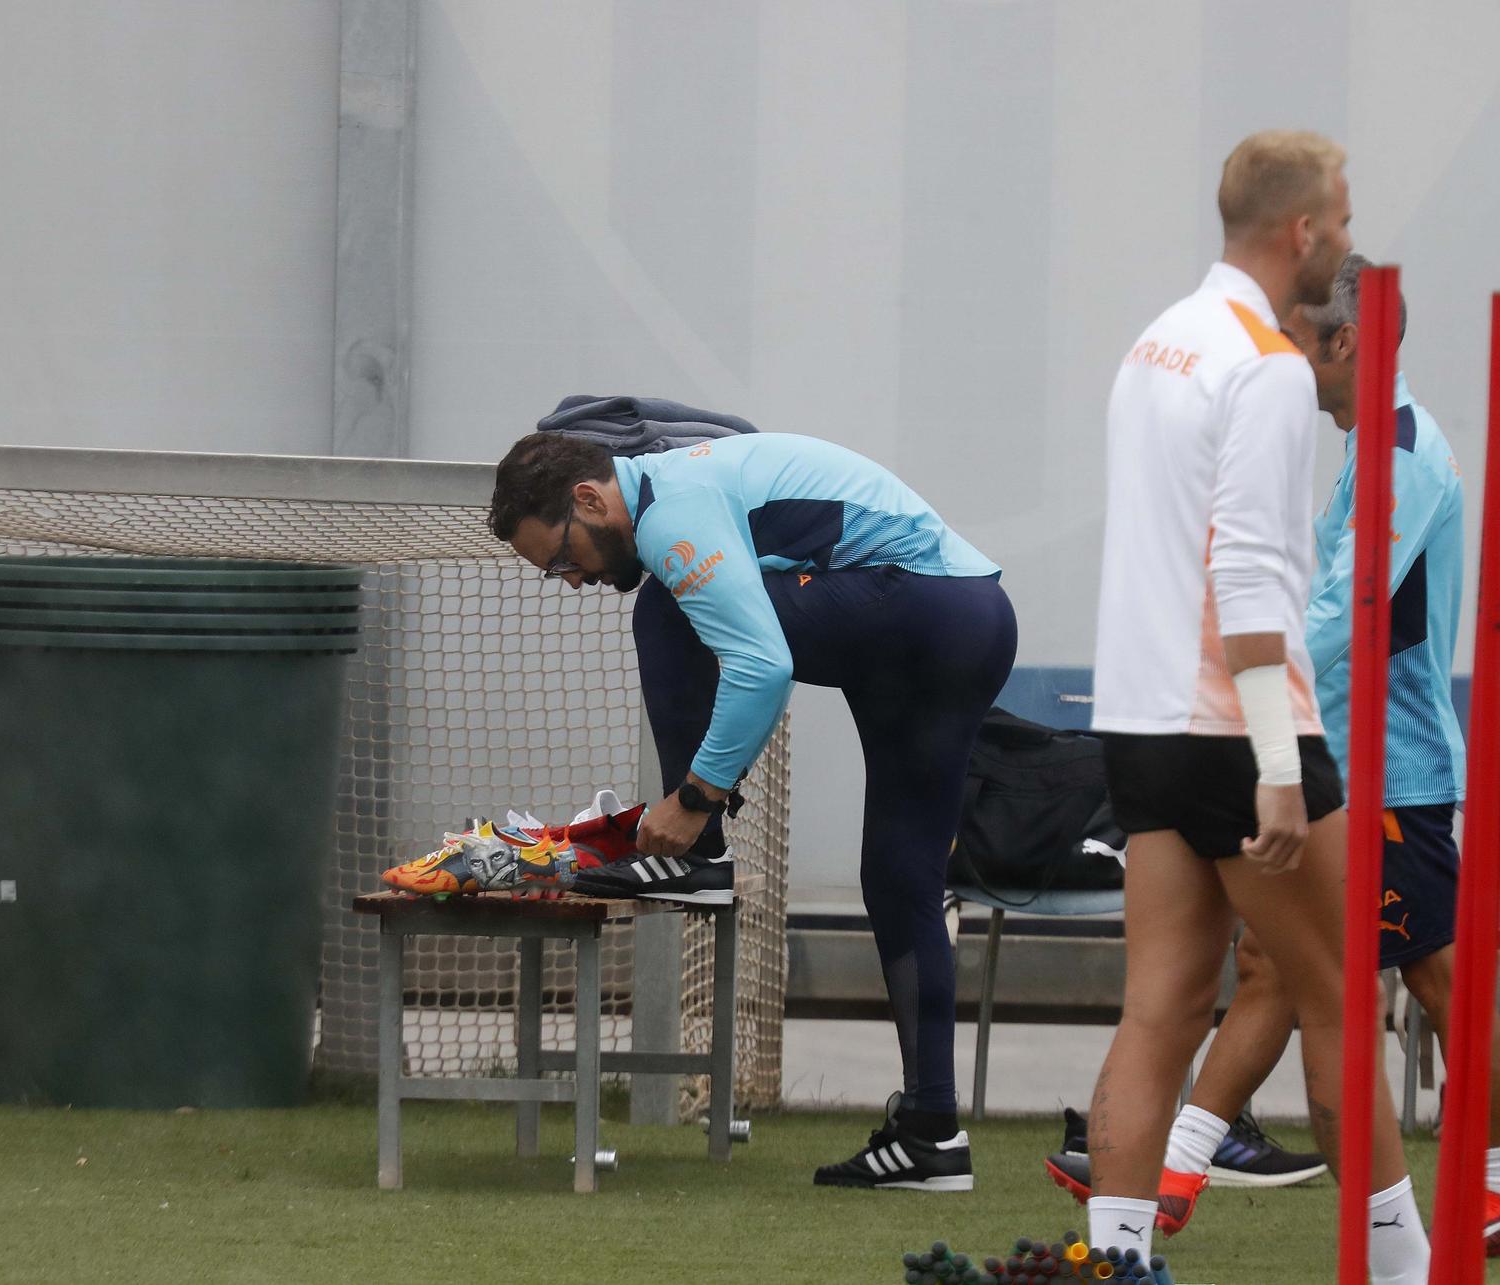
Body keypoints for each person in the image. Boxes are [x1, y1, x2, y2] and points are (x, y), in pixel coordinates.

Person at [1052, 251, 1500, 1252]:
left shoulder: (1403, 450)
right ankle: (1172, 1173)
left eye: (1298, 341)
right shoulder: (1358, 444)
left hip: (1392, 771)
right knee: (1273, 970)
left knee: (1425, 979)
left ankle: (1476, 1186)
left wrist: (1241, 657)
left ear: (1344, 343)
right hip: (1302, 750)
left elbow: (1339, 613)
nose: (1284, 359)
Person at [488, 421, 1016, 1190]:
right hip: (965, 619)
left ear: (590, 497)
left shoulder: (671, 510)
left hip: (926, 610)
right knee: (900, 881)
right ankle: (933, 1133)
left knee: (668, 606)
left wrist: (694, 801)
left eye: (564, 557)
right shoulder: (666, 485)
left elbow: (762, 665)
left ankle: (693, 854)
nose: (571, 579)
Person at [1082, 131, 1426, 1280]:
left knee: (1158, 1012)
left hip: (1135, 727)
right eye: (1340, 212)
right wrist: (1279, 762)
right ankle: (1402, 1268)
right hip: (1234, 729)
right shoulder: (1268, 365)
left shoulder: (1153, 342)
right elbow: (1247, 577)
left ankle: (1114, 1259)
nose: (1343, 230)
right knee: (1332, 1004)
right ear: (1303, 233)